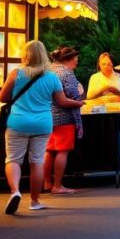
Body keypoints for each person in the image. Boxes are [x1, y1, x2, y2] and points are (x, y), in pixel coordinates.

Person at [0, 40, 83, 214]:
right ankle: (35, 201)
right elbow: (60, 101)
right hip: (43, 122)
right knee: (37, 161)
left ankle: (15, 191)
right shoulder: (51, 76)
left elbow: (2, 97)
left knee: (13, 159)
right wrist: (79, 102)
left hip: (18, 121)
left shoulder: (16, 73)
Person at [44, 46, 84, 195]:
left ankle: (47, 183)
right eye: (75, 60)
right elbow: (75, 95)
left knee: (49, 150)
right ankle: (57, 185)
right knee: (62, 151)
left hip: (47, 116)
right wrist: (80, 98)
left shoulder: (47, 70)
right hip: (64, 117)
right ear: (68, 59)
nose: (76, 63)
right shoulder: (67, 73)